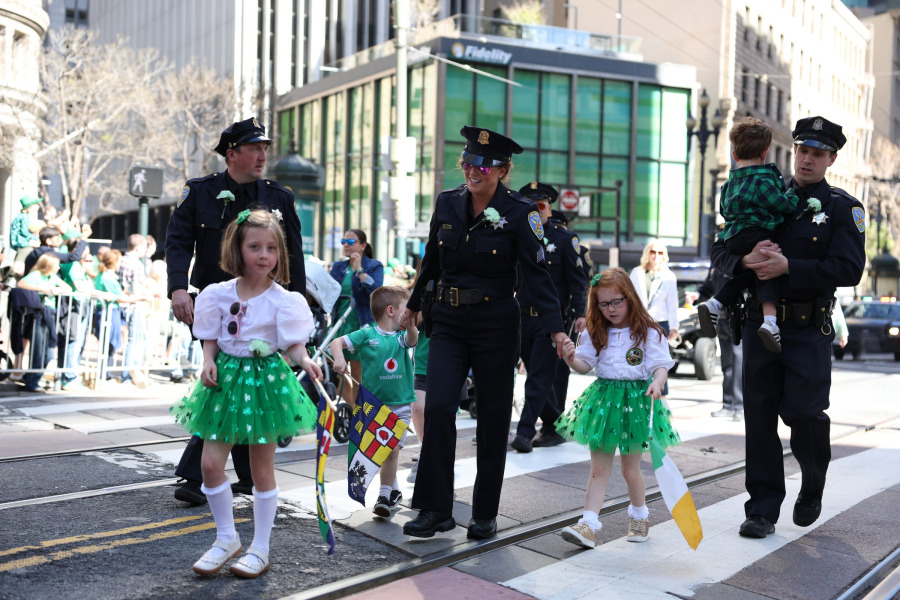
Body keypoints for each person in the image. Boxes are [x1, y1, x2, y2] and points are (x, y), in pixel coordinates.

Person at [400, 126, 568, 540]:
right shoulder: (447, 201)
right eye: (469, 162)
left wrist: (556, 332)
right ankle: (435, 509)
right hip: (449, 321)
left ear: (503, 170)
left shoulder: (521, 212)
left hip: (495, 323)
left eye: (485, 165)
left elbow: (538, 275)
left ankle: (484, 513)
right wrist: (414, 304)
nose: (474, 170)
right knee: (438, 407)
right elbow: (431, 259)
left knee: (492, 417)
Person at [710, 116, 866, 539]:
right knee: (759, 418)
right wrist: (743, 261)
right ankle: (761, 509)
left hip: (806, 328)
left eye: (817, 153)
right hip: (757, 323)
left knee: (805, 414)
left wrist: (789, 266)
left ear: (831, 159)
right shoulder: (761, 189)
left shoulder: (842, 207)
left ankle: (812, 483)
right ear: (792, 151)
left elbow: (849, 269)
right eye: (802, 150)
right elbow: (721, 248)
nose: (807, 160)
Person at [170, 209, 322, 578]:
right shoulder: (217, 294)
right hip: (225, 381)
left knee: (260, 469)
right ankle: (226, 538)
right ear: (237, 249)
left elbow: (294, 345)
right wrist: (208, 359)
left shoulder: (284, 300)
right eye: (255, 247)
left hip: (265, 382)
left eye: (271, 248)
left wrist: (305, 361)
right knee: (210, 465)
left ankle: (261, 548)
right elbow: (210, 336)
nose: (264, 255)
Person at [166, 116, 307, 505]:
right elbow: (177, 242)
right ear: (232, 154)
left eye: (265, 149)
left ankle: (212, 474)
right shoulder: (201, 192)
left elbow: (293, 256)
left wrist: (296, 312)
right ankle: (225, 474)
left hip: (264, 311)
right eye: (254, 149)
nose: (262, 156)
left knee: (245, 385)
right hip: (215, 309)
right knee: (224, 382)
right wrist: (178, 288)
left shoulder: (279, 198)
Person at [555, 268, 678, 548]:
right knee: (598, 469)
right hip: (604, 402)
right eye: (603, 304)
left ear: (630, 298)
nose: (610, 309)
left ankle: (639, 516)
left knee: (630, 471)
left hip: (636, 403)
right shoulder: (594, 330)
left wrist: (657, 382)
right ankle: (587, 525)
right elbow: (584, 365)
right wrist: (570, 357)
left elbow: (661, 365)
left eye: (616, 302)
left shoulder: (649, 332)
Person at [697, 118, 801, 354]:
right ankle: (770, 321)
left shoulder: (728, 185)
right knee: (768, 273)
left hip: (733, 238)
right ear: (765, 153)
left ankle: (715, 303)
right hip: (757, 233)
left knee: (750, 274)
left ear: (734, 155)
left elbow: (724, 211)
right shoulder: (763, 181)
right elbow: (782, 205)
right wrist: (792, 196)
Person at [511, 182, 587, 453]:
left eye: (540, 205)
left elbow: (578, 281)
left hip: (551, 321)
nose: (536, 210)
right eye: (530, 206)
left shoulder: (564, 239)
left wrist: (581, 313)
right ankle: (557, 424)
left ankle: (525, 431)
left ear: (549, 208)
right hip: (520, 318)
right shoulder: (516, 236)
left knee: (539, 377)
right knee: (536, 374)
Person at [330, 286, 417, 518]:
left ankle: (384, 496)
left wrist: (411, 325)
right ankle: (394, 490)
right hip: (375, 408)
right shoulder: (367, 335)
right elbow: (336, 342)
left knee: (391, 450)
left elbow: (413, 339)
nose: (408, 312)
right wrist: (339, 358)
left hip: (400, 406)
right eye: (405, 309)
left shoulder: (401, 336)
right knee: (381, 452)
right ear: (391, 310)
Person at [329, 229, 384, 404]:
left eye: (351, 242)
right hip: (340, 325)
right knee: (337, 374)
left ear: (363, 245)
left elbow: (376, 292)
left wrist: (359, 269)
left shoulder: (374, 266)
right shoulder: (338, 267)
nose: (346, 245)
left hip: (362, 326)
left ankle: (360, 413)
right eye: (343, 241)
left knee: (358, 376)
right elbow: (329, 293)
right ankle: (353, 410)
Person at [16, 255, 73, 392]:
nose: (58, 267)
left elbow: (68, 288)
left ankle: (31, 377)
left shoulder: (52, 277)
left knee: (49, 351)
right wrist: (41, 289)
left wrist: (55, 290)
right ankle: (32, 381)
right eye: (56, 264)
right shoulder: (36, 275)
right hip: (38, 313)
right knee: (38, 349)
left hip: (50, 313)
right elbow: (21, 284)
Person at [629, 241, 679, 396]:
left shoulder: (669, 276)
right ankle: (637, 392)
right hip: (638, 321)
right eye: (653, 252)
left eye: (660, 252)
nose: (656, 255)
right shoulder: (636, 272)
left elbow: (672, 303)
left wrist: (674, 327)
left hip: (660, 323)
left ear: (664, 255)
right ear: (647, 253)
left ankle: (660, 395)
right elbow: (629, 298)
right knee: (637, 357)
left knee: (660, 360)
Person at [695, 265, 744, 421]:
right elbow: (708, 288)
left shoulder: (737, 259)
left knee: (738, 362)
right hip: (722, 318)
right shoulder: (717, 264)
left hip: (739, 316)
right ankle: (728, 405)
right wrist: (697, 296)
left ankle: (740, 406)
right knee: (727, 364)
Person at [117, 234, 153, 388]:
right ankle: (129, 374)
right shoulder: (136, 264)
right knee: (135, 341)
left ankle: (129, 374)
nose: (145, 250)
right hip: (136, 304)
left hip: (126, 303)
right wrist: (148, 294)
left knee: (132, 340)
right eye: (144, 246)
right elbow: (137, 288)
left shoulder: (122, 260)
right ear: (138, 247)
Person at [9, 196, 42, 277]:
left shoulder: (21, 216)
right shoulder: (25, 216)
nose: (38, 206)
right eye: (35, 204)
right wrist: (35, 238)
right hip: (23, 243)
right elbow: (24, 232)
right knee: (19, 265)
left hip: (18, 242)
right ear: (30, 207)